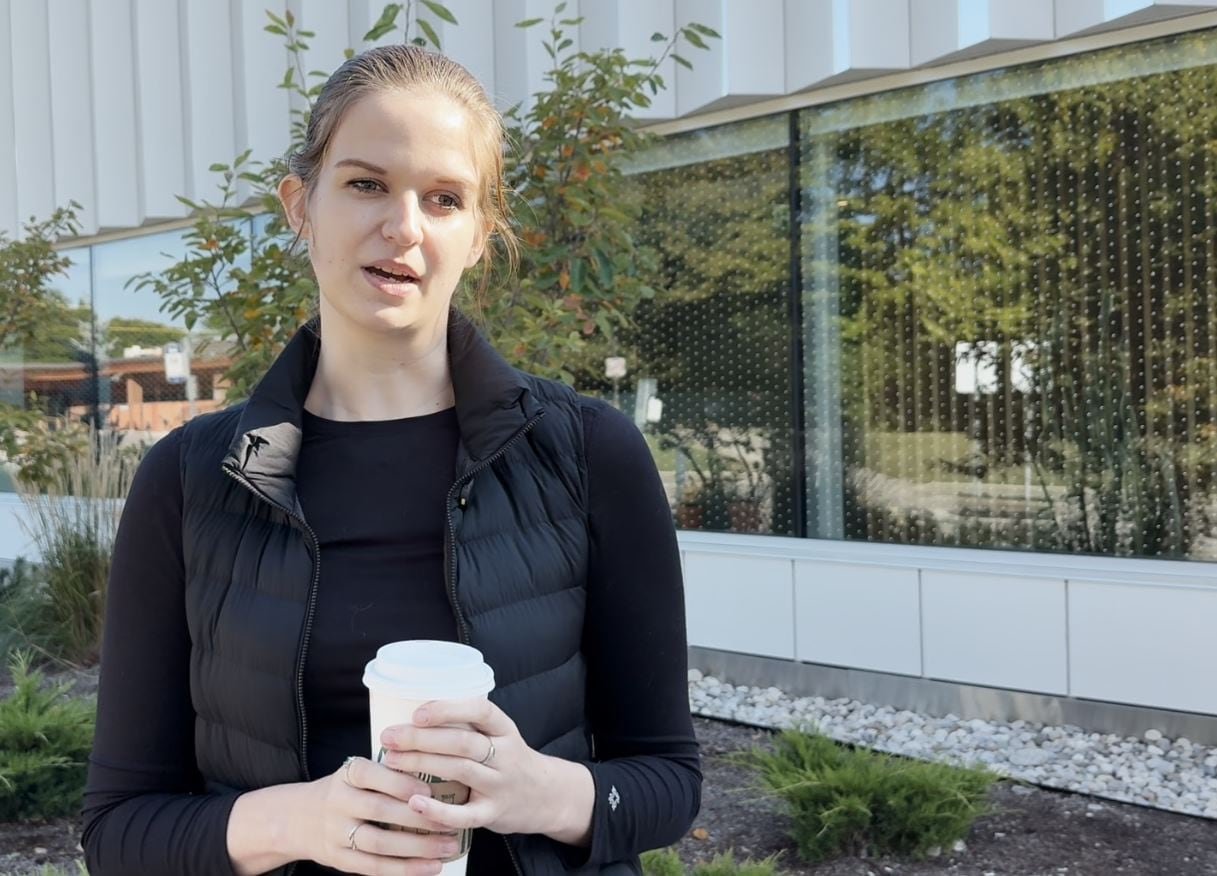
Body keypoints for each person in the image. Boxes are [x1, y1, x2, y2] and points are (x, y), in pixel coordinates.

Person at [81, 45, 700, 876]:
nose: (403, 228)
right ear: (301, 205)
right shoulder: (192, 479)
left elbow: (666, 778)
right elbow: (119, 831)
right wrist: (292, 822)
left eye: (443, 199)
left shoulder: (587, 454)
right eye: (366, 183)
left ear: (479, 235)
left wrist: (540, 791)